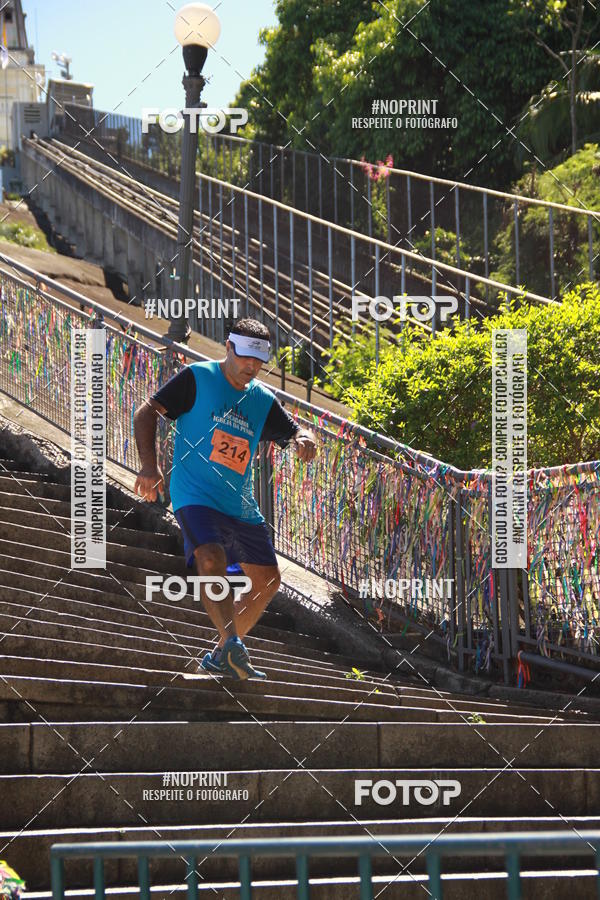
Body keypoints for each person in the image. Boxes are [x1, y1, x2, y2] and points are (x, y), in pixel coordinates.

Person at [133, 318, 316, 680]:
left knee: (267, 580)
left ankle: (220, 654)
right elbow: (146, 411)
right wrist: (149, 467)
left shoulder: (262, 400)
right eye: (245, 356)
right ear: (228, 348)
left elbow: (295, 432)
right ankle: (232, 641)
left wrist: (304, 439)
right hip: (195, 494)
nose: (250, 367)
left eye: (258, 361)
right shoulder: (197, 378)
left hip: (240, 504)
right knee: (210, 556)